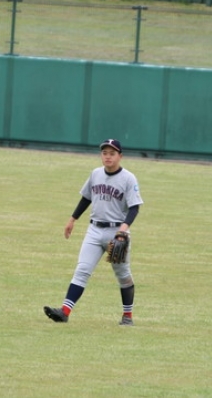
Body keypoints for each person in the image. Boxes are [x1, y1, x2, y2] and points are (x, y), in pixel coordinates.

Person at [43, 139, 143, 326]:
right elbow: (86, 198)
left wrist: (123, 230)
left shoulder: (128, 178)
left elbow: (134, 208)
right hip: (94, 231)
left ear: (120, 156)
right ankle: (64, 312)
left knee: (123, 275)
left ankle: (127, 316)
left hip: (117, 232)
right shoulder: (96, 174)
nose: (108, 157)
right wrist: (72, 219)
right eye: (105, 153)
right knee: (82, 270)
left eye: (112, 153)